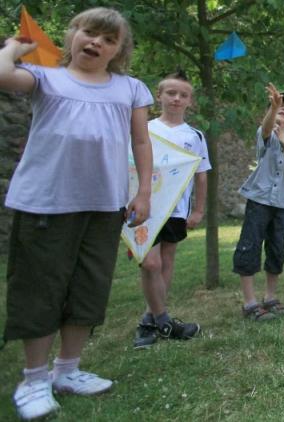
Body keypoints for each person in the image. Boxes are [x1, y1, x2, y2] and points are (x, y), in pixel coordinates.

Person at [0, 8, 153, 420]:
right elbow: (1, 76)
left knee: (88, 288)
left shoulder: (131, 89)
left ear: (119, 50)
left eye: (108, 39)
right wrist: (14, 49)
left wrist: (142, 191)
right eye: (89, 32)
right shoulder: (46, 78)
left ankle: (67, 370)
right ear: (72, 35)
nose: (96, 43)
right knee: (39, 288)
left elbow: (141, 142)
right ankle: (33, 379)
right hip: (45, 203)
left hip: (105, 206)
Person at [133, 71, 211, 349]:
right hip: (145, 207)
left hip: (176, 209)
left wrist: (199, 210)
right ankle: (161, 319)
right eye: (171, 93)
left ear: (190, 101)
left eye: (183, 95)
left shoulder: (195, 136)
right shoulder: (145, 129)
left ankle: (149, 321)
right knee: (149, 262)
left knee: (166, 261)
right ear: (159, 95)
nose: (177, 99)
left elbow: (201, 174)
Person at [233, 83, 284, 321]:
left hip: (282, 204)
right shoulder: (263, 132)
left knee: (277, 250)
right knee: (249, 246)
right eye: (280, 106)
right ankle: (249, 303)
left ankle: (270, 298)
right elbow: (266, 130)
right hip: (260, 200)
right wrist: (273, 111)